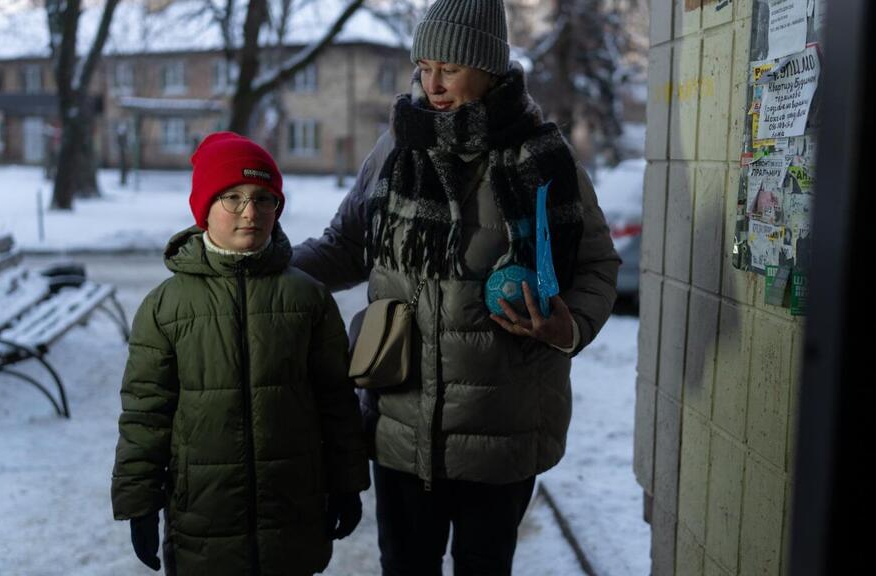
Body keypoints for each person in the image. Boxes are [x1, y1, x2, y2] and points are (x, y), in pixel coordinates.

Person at [291, 1, 620, 574]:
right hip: (399, 422)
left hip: (503, 426)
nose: (433, 83)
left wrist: (570, 326)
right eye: (424, 66)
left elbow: (595, 266)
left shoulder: (542, 158)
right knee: (405, 565)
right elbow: (347, 246)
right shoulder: (395, 148)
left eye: (451, 67)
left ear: (489, 68)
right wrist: (267, 265)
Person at [111, 132, 369, 575]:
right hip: (203, 514)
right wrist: (139, 504)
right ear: (203, 209)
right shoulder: (165, 307)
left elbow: (336, 402)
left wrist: (347, 483)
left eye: (264, 198)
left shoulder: (308, 299)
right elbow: (145, 414)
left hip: (293, 509)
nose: (250, 212)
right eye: (231, 197)